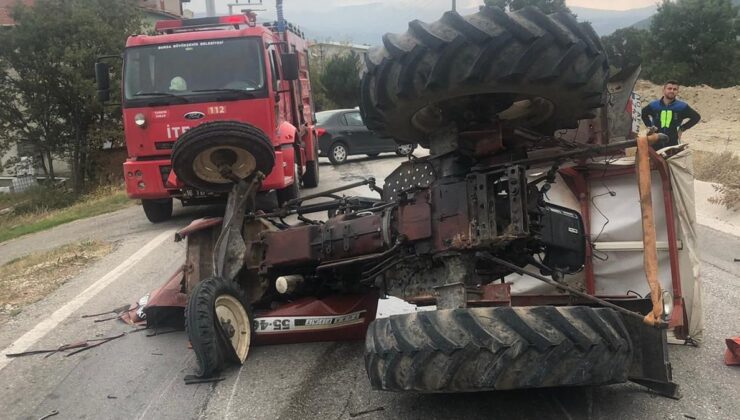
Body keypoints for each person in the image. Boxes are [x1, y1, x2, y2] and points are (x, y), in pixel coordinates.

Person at [641, 80, 701, 150]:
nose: (672, 91)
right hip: (655, 141)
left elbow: (696, 117)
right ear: (664, 90)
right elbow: (643, 114)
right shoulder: (654, 105)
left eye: (675, 89)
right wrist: (650, 127)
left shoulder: (681, 106)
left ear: (677, 92)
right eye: (669, 88)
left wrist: (682, 128)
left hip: (673, 142)